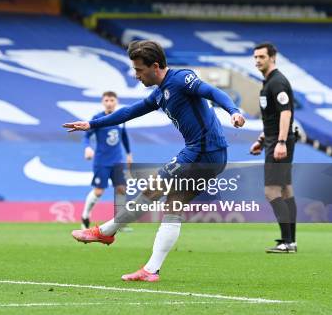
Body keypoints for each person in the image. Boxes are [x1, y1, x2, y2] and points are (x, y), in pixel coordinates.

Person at [63, 40, 245, 282]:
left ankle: (106, 231)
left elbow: (212, 91)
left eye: (139, 70)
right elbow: (129, 112)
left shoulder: (181, 79)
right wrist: (92, 124)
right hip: (209, 154)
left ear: (155, 66)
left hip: (204, 151)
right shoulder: (160, 94)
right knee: (173, 205)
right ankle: (151, 270)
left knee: (153, 188)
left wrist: (233, 110)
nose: (136, 75)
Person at [249, 42, 297, 254]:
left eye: (262, 57)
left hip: (279, 142)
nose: (258, 60)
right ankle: (290, 241)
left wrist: (280, 142)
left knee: (271, 191)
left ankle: (287, 242)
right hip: (273, 139)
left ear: (272, 57)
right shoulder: (267, 83)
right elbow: (273, 117)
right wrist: (262, 139)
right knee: (285, 189)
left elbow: (286, 113)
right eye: (256, 57)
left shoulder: (277, 82)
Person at [80, 91, 132, 229]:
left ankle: (119, 222)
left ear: (116, 101)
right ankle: (85, 215)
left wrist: (128, 153)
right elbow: (86, 136)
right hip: (101, 161)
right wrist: (87, 148)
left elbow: (124, 136)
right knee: (99, 192)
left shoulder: (121, 118)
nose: (109, 103)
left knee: (122, 189)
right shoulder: (97, 118)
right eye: (107, 100)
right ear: (103, 102)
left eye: (112, 100)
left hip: (118, 160)